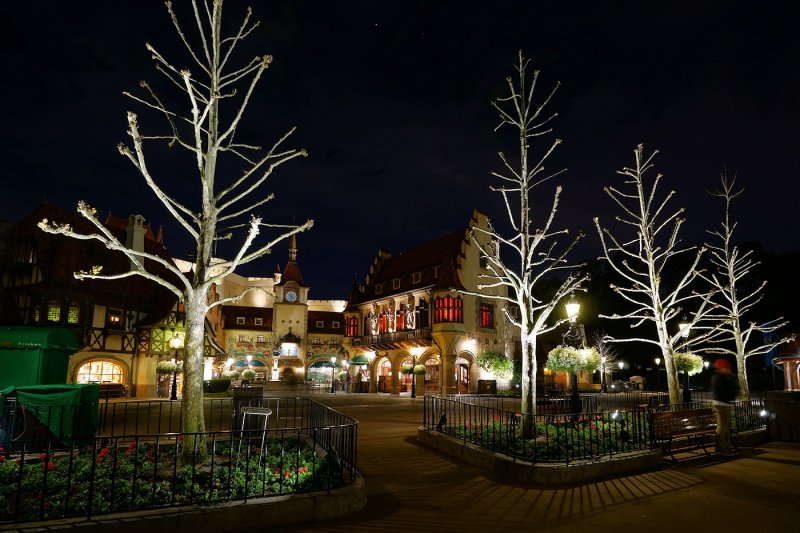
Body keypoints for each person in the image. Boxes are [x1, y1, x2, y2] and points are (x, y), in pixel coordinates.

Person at [710, 358, 739, 456]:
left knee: (726, 427)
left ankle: (726, 447)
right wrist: (732, 382)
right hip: (721, 404)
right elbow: (726, 391)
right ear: (722, 368)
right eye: (727, 368)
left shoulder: (720, 378)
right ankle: (721, 449)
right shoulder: (719, 378)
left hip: (723, 404)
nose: (729, 370)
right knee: (723, 427)